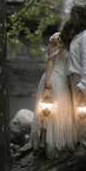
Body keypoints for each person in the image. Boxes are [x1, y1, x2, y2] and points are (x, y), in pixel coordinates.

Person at [30, 20, 77, 160]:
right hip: (54, 78)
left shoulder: (73, 41)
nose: (73, 31)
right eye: (71, 29)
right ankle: (45, 144)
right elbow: (50, 61)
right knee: (48, 112)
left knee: (62, 112)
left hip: (64, 80)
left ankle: (59, 142)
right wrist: (47, 81)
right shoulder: (57, 38)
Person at [67, 4, 86, 157]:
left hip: (80, 79)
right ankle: (82, 143)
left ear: (79, 17)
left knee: (83, 112)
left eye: (72, 16)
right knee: (79, 112)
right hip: (76, 78)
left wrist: (84, 85)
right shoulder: (81, 35)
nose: (70, 19)